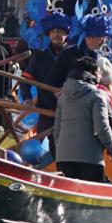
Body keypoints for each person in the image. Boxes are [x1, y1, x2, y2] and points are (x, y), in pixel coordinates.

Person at [54, 55, 112, 183]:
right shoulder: (97, 95)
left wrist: (61, 151)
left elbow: (57, 129)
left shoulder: (63, 97)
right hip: (89, 158)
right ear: (93, 73)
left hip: (63, 158)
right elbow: (102, 127)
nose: (100, 76)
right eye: (99, 72)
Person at [27, 12, 73, 143]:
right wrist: (27, 99)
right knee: (43, 149)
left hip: (71, 112)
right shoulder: (40, 57)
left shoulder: (75, 55)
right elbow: (26, 79)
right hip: (46, 111)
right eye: (53, 31)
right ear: (49, 34)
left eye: (60, 31)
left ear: (66, 34)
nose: (56, 35)